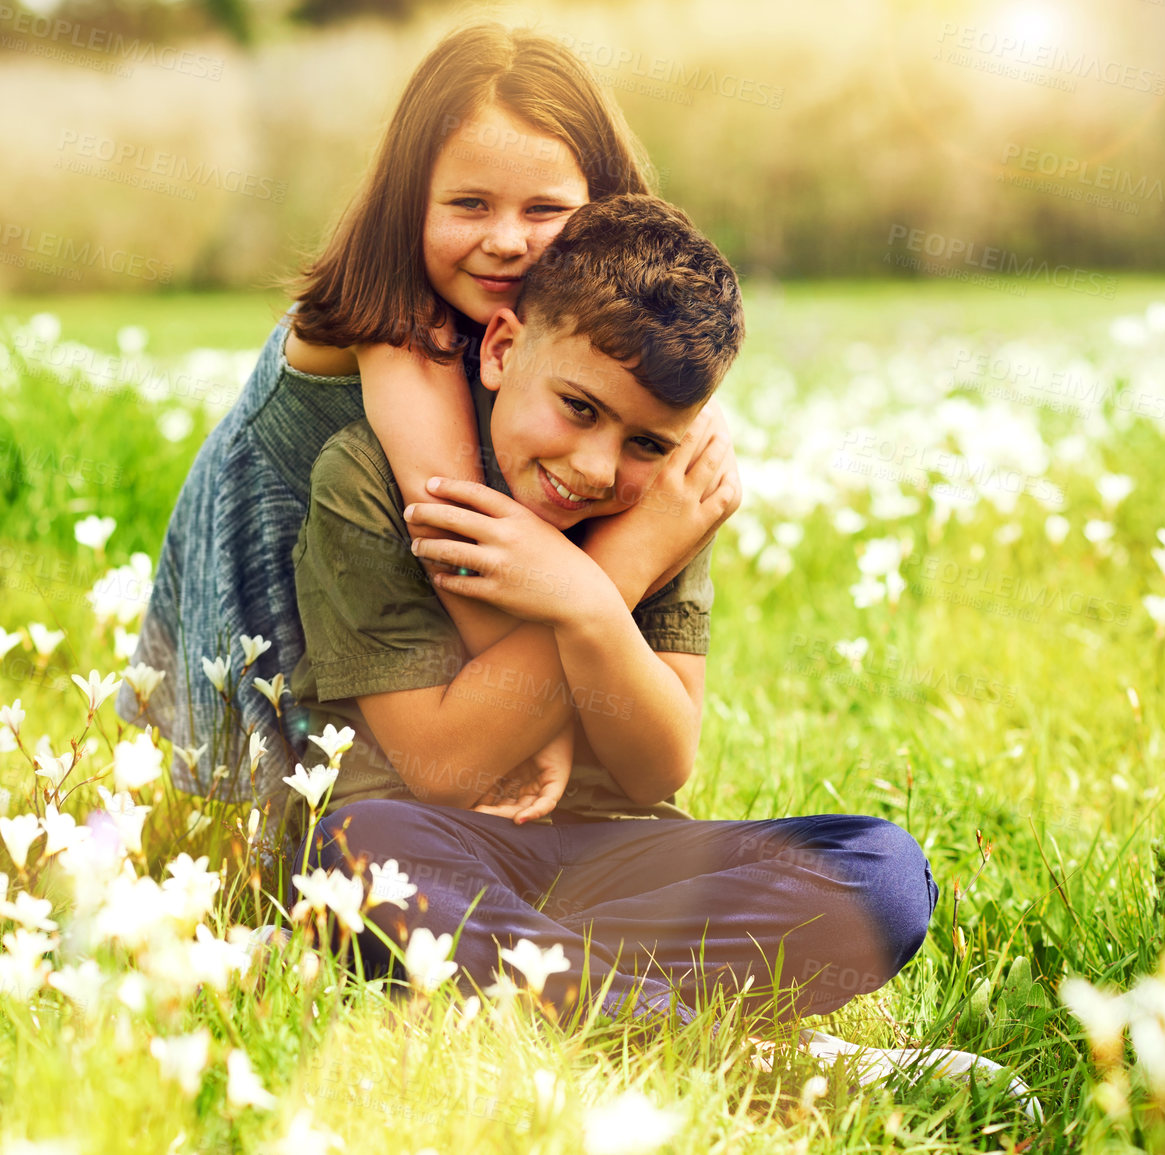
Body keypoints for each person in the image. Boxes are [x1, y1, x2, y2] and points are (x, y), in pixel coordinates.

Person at [290, 194, 938, 1033]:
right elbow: (443, 768)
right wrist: (613, 570)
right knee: (356, 853)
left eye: (646, 442)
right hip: (439, 845)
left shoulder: (666, 504)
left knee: (880, 872)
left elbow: (657, 768)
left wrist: (594, 600)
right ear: (502, 346)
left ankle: (561, 995)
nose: (596, 468)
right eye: (579, 408)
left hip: (615, 858)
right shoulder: (367, 481)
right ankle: (707, 1039)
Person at [117, 24, 707, 835]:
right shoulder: (399, 323)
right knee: (316, 826)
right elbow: (458, 543)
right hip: (303, 573)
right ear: (410, 201)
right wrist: (603, 608)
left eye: (545, 210)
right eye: (469, 205)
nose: (505, 241)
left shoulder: (571, 339)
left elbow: (677, 438)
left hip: (430, 620)